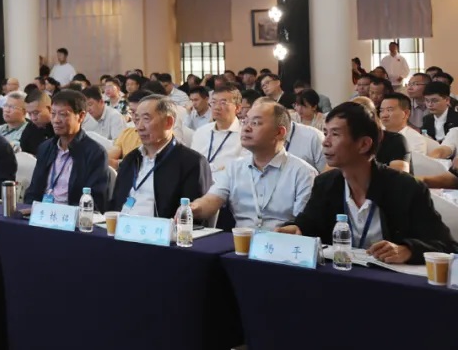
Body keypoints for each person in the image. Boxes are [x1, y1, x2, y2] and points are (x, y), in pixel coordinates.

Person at [278, 102, 457, 264]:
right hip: (340, 275)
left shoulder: (405, 188)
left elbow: (446, 246)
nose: (325, 142)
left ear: (364, 144)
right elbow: (309, 224)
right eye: (325, 133)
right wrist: (296, 229)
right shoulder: (326, 184)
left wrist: (407, 250)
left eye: (335, 134)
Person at [190, 98, 316, 230]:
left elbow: (303, 224)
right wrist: (192, 209)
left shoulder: (303, 173)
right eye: (245, 121)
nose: (246, 128)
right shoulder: (234, 168)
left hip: (282, 240)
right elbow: (211, 200)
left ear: (279, 132)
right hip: (241, 240)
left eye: (255, 123)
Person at [110, 95, 211, 218]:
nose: (139, 127)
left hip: (162, 228)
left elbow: (191, 218)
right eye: (136, 119)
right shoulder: (131, 159)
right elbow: (115, 205)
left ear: (168, 122)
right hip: (121, 226)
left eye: (146, 119)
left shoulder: (192, 163)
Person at [23, 90, 109, 207]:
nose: (56, 120)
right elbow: (33, 191)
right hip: (41, 213)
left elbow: (95, 201)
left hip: (71, 215)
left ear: (81, 116)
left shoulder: (95, 153)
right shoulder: (45, 148)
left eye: (63, 114)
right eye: (53, 114)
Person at [189, 86, 244, 172]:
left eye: (223, 103)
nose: (216, 107)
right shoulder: (201, 132)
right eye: (213, 102)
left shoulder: (245, 135)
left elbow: (242, 169)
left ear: (237, 108)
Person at [282, 97, 327, 173]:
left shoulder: (319, 127)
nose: (299, 109)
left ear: (314, 107)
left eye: (304, 106)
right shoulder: (291, 117)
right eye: (297, 105)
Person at [107, 91, 145, 170]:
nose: (135, 117)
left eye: (140, 113)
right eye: (132, 112)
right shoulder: (127, 133)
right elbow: (109, 158)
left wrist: (118, 164)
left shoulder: (159, 136)